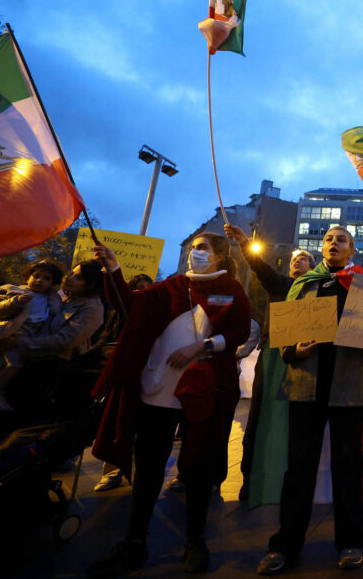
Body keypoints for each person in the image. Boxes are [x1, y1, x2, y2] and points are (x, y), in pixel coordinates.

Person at [88, 234, 251, 577]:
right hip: (158, 389)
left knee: (198, 470)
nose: (196, 253)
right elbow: (129, 305)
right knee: (148, 469)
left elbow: (237, 333)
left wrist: (203, 346)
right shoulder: (170, 287)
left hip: (204, 392)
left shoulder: (232, 290)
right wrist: (113, 268)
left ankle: (195, 540)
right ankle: (134, 542)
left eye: (204, 248)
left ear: (221, 254)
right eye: (193, 248)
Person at [256, 225, 363, 574]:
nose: (334, 243)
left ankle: (350, 542)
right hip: (306, 385)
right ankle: (285, 545)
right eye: (329, 239)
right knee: (299, 468)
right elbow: (284, 335)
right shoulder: (302, 284)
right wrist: (292, 351)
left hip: (349, 386)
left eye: (341, 239)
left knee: (349, 467)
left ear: (352, 250)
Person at [223, 223, 314, 503]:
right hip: (275, 356)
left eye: (304, 259)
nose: (296, 261)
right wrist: (243, 243)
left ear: (314, 267)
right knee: (261, 417)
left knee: (297, 423)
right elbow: (260, 268)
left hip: (308, 360)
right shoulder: (282, 285)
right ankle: (252, 480)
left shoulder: (321, 290)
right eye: (293, 259)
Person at [93, 272, 155, 492]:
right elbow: (104, 337)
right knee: (114, 425)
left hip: (146, 378)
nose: (141, 290)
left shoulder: (156, 316)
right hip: (120, 376)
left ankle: (139, 472)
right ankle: (111, 472)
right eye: (137, 286)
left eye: (147, 287)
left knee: (138, 428)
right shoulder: (117, 312)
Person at [0, 259, 65, 412]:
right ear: (28, 276)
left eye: (46, 278)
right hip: (13, 332)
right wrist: (15, 302)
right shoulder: (17, 291)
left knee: (3, 365)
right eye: (36, 275)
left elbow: (54, 311)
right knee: (13, 364)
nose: (39, 280)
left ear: (53, 284)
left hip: (27, 337)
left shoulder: (49, 298)